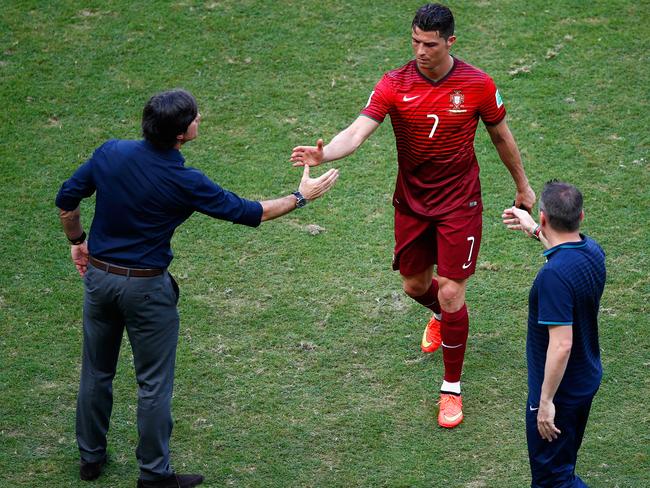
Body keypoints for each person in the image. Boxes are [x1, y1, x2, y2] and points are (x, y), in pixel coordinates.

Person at [55, 89, 339, 487]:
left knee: (96, 372)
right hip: (146, 291)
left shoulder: (110, 153)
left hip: (99, 280)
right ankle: (154, 476)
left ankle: (90, 459)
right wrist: (300, 197)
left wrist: (77, 242)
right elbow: (249, 212)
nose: (199, 118)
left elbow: (67, 200)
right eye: (195, 117)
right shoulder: (183, 180)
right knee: (152, 384)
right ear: (181, 135)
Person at [290, 3, 535, 428]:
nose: (420, 51)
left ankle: (451, 390)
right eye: (415, 42)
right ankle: (440, 316)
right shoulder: (393, 84)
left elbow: (501, 137)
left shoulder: (477, 84)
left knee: (452, 291)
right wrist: (325, 151)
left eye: (430, 44)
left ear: (450, 42)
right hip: (413, 202)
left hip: (460, 202)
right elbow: (358, 130)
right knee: (414, 285)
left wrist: (523, 185)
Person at [502, 181, 606, 487]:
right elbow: (564, 254)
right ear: (581, 216)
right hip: (585, 378)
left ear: (546, 217)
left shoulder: (553, 278)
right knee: (563, 466)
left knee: (553, 480)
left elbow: (561, 344)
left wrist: (546, 403)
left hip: (560, 393)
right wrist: (534, 229)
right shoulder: (591, 251)